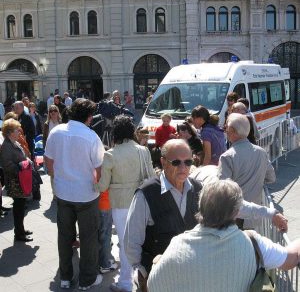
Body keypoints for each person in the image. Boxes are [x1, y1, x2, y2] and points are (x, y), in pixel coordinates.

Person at [124, 139, 287, 291]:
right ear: (163, 162)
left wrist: (270, 213)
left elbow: (236, 205)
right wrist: (143, 273)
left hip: (191, 275)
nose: (183, 167)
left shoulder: (198, 189)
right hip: (158, 279)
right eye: (176, 162)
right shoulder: (146, 194)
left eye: (188, 162)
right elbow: (131, 242)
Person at [147, 178, 299, 292]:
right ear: (236, 212)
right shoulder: (253, 243)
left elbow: (153, 285)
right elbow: (290, 260)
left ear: (200, 206)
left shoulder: (177, 244)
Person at [44, 98, 105, 290]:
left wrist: (61, 177)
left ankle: (65, 277)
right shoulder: (91, 136)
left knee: (64, 236)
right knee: (88, 239)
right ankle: (87, 280)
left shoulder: (56, 131)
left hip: (63, 193)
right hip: (86, 194)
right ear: (88, 118)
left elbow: (49, 163)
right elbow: (99, 170)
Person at [99, 115, 155, 292]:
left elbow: (102, 186)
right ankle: (142, 277)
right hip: (142, 200)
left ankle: (125, 283)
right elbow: (152, 176)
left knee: (125, 243)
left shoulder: (110, 154)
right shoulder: (143, 150)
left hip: (121, 203)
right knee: (141, 241)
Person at [218, 113, 276, 227]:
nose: (225, 131)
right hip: (254, 215)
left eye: (226, 128)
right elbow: (271, 177)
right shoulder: (261, 152)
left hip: (234, 216)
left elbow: (221, 189)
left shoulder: (227, 157)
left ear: (232, 131)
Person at [0, 119, 33, 242]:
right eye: (16, 130)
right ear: (9, 132)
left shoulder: (14, 142)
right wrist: (20, 167)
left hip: (21, 179)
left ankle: (20, 230)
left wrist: (26, 162)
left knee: (21, 207)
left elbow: (22, 156)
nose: (19, 131)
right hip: (15, 181)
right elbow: (7, 165)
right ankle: (19, 234)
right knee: (19, 208)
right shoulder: (6, 146)